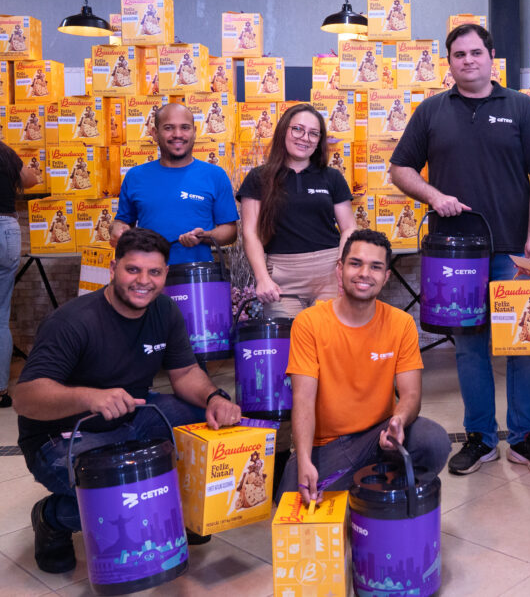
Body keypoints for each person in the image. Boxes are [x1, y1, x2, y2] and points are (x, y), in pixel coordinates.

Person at [390, 23, 530, 477]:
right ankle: (480, 438)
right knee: (469, 346)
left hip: (513, 250)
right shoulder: (431, 111)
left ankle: (525, 438)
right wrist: (433, 196)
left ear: (491, 57)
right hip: (455, 256)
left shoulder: (521, 107)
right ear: (449, 63)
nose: (468, 60)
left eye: (475, 53)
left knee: (524, 345)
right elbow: (399, 169)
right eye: (459, 54)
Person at [14, 228, 242, 574]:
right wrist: (89, 397)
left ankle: (180, 509)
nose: (143, 281)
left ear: (165, 273)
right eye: (132, 269)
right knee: (130, 497)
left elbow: (184, 373)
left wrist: (213, 398)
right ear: (113, 268)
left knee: (206, 426)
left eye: (154, 272)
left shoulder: (164, 310)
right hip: (61, 437)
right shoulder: (73, 322)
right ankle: (52, 517)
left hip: (133, 415)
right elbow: (25, 398)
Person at [280, 230, 450, 501]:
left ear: (386, 276)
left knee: (433, 441)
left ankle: (383, 498)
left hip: (380, 436)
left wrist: (398, 421)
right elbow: (303, 398)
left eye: (375, 267)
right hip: (329, 447)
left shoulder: (401, 324)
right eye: (356, 263)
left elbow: (411, 395)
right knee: (290, 497)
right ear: (340, 269)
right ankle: (360, 489)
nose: (364, 274)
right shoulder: (309, 323)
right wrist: (304, 460)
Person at [237, 103, 357, 319]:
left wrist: (342, 266)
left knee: (329, 337)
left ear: (319, 141)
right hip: (281, 277)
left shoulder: (332, 177)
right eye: (298, 129)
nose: (305, 138)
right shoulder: (259, 178)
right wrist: (262, 278)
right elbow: (250, 233)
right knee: (288, 338)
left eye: (313, 133)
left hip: (329, 273)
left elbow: (349, 227)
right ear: (284, 130)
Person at [112, 102, 239, 265]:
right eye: (168, 128)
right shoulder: (135, 176)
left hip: (197, 274)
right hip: (147, 273)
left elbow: (230, 231)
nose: (177, 134)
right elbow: (123, 222)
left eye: (185, 127)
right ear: (155, 133)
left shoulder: (215, 175)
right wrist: (116, 228)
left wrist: (204, 236)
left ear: (194, 132)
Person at [0, 142, 40, 407]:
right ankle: (0, 390)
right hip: (6, 228)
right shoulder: (5, 153)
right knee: (0, 317)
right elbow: (31, 180)